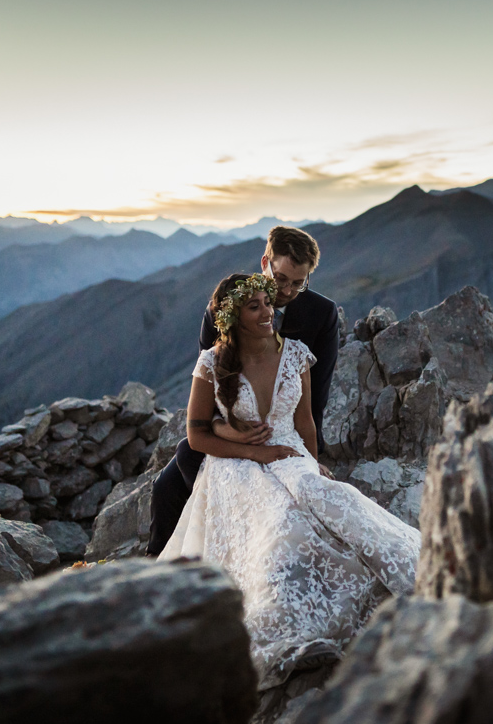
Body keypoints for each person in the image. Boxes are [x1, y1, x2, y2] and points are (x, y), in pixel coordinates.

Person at [157, 273, 419, 688]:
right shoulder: (211, 362)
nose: (268, 312)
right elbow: (197, 433)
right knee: (281, 527)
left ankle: (401, 579)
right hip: (235, 465)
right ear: (233, 318)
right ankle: (285, 635)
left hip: (290, 451)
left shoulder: (297, 354)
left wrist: (313, 468)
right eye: (255, 306)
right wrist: (252, 450)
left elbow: (306, 425)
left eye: (268, 303)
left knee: (332, 504)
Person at [147, 226, 340, 557]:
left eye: (299, 282)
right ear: (265, 262)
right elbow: (210, 383)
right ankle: (160, 563)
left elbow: (315, 398)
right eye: (281, 279)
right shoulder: (223, 308)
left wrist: (312, 460)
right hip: (234, 427)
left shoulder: (321, 315)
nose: (289, 290)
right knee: (167, 485)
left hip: (286, 434)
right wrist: (229, 430)